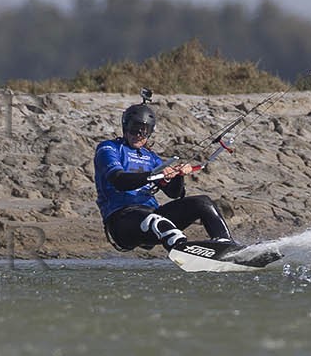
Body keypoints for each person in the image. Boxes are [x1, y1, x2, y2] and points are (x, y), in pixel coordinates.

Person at [95, 95, 238, 256]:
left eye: (145, 131)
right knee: (157, 222)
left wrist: (177, 176)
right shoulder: (109, 148)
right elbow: (119, 181)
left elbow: (175, 194)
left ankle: (228, 247)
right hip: (121, 221)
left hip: (152, 214)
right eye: (134, 129)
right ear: (125, 126)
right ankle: (185, 252)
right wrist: (153, 175)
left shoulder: (152, 158)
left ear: (150, 133)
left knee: (202, 203)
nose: (138, 135)